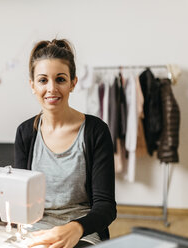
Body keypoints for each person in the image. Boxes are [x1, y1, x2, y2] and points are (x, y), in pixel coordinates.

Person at [14, 39, 116, 247]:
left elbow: (106, 207)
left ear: (73, 83)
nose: (51, 89)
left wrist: (75, 228)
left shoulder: (96, 131)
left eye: (60, 79)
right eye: (43, 80)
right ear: (32, 85)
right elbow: (19, 198)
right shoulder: (25, 133)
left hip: (83, 232)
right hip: (36, 233)